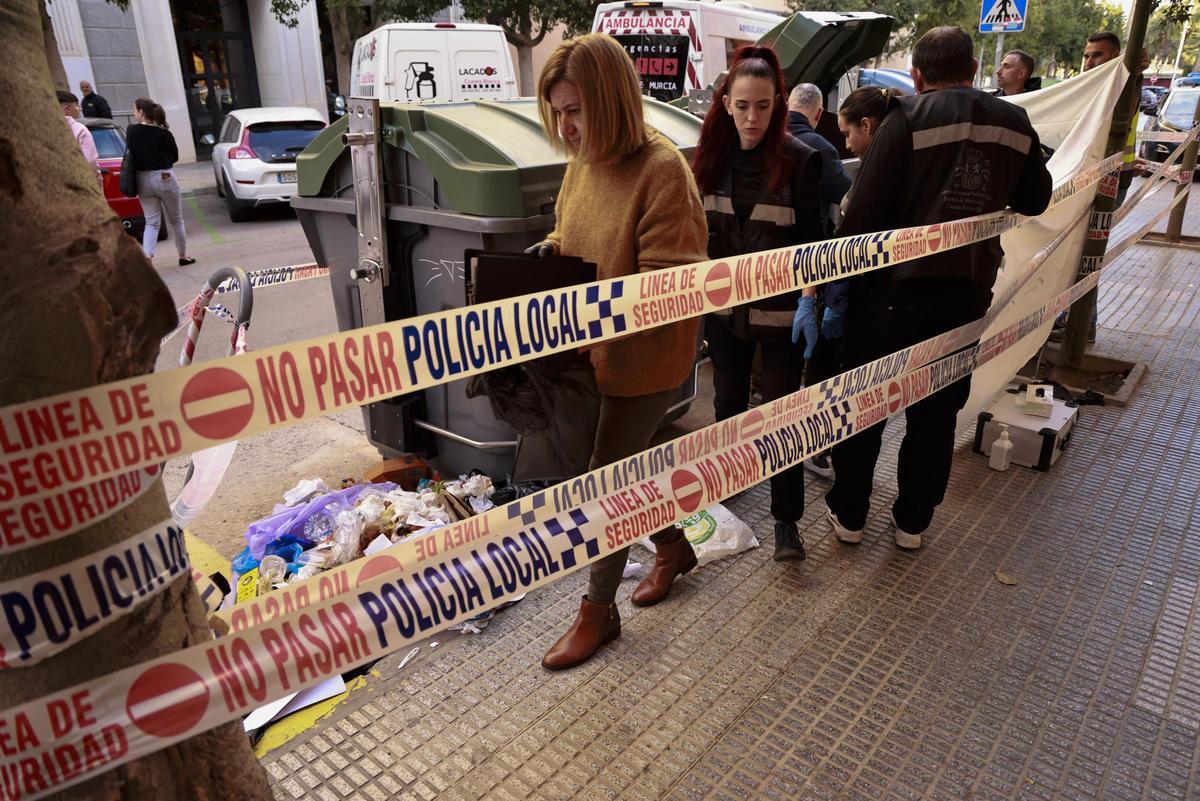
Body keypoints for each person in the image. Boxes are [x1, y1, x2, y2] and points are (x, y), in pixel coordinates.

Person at [824, 26, 1052, 551]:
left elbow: (860, 219)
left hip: (888, 299)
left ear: (917, 76)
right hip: (965, 297)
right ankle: (912, 523)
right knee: (934, 415)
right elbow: (1036, 198)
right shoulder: (1014, 121)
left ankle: (851, 516)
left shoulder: (905, 118)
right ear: (973, 70)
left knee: (868, 407)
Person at [526, 33, 709, 670]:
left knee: (604, 477)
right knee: (609, 470)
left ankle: (598, 612)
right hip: (585, 352)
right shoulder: (584, 160)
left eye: (575, 110)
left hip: (644, 358)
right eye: (557, 112)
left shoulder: (661, 171)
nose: (564, 126)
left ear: (610, 103)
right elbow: (572, 231)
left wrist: (594, 301)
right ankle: (674, 545)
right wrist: (549, 253)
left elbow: (674, 281)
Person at [691, 47, 825, 562]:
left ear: (778, 105)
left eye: (763, 107)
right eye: (742, 105)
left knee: (781, 417)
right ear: (725, 102)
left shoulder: (801, 161)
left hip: (783, 318)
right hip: (725, 317)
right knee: (727, 409)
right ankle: (723, 498)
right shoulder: (706, 162)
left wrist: (812, 301)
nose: (752, 118)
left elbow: (815, 244)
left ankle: (786, 520)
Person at [128, 98, 194, 265]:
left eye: (135, 110)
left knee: (151, 221)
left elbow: (132, 154)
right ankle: (182, 255)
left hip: (142, 179)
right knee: (176, 220)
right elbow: (175, 156)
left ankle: (148, 256)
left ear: (141, 112)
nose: (134, 113)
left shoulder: (131, 131)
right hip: (164, 177)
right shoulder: (164, 133)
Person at [786, 82, 852, 233]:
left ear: (787, 104)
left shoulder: (767, 140)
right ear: (819, 113)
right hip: (806, 247)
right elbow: (848, 197)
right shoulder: (822, 149)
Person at [57, 91, 99, 178]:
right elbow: (90, 160)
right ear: (67, 108)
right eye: (76, 105)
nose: (79, 108)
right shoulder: (80, 129)